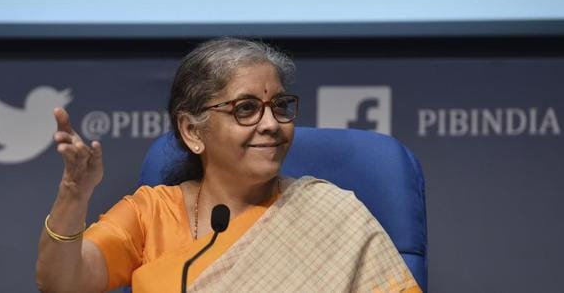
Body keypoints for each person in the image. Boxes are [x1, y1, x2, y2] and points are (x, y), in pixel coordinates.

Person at [36, 38, 422, 292]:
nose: (271, 124)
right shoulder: (149, 214)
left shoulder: (333, 216)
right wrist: (74, 194)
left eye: (280, 106)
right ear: (192, 131)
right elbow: (62, 284)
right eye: (246, 109)